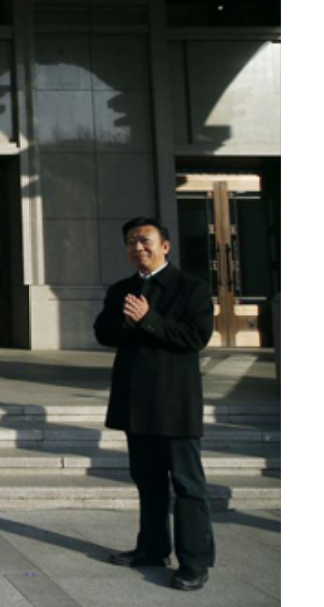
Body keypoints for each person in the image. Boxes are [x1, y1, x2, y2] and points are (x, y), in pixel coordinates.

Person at [95, 216, 216, 592]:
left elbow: (196, 337)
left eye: (145, 240)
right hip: (136, 399)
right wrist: (127, 323)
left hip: (175, 401)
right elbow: (103, 332)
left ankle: (194, 561)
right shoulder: (122, 289)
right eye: (131, 242)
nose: (137, 247)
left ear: (165, 246)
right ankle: (152, 548)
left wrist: (148, 320)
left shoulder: (191, 288)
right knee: (147, 481)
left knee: (187, 483)